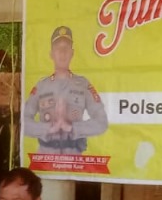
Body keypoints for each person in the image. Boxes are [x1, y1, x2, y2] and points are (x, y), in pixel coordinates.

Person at [22, 26, 109, 155]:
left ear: (72, 53)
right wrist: (49, 128)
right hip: (46, 158)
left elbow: (102, 122)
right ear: (52, 54)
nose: (62, 53)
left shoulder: (83, 85)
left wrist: (72, 128)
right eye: (58, 48)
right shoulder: (41, 86)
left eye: (66, 48)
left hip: (74, 159)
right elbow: (23, 121)